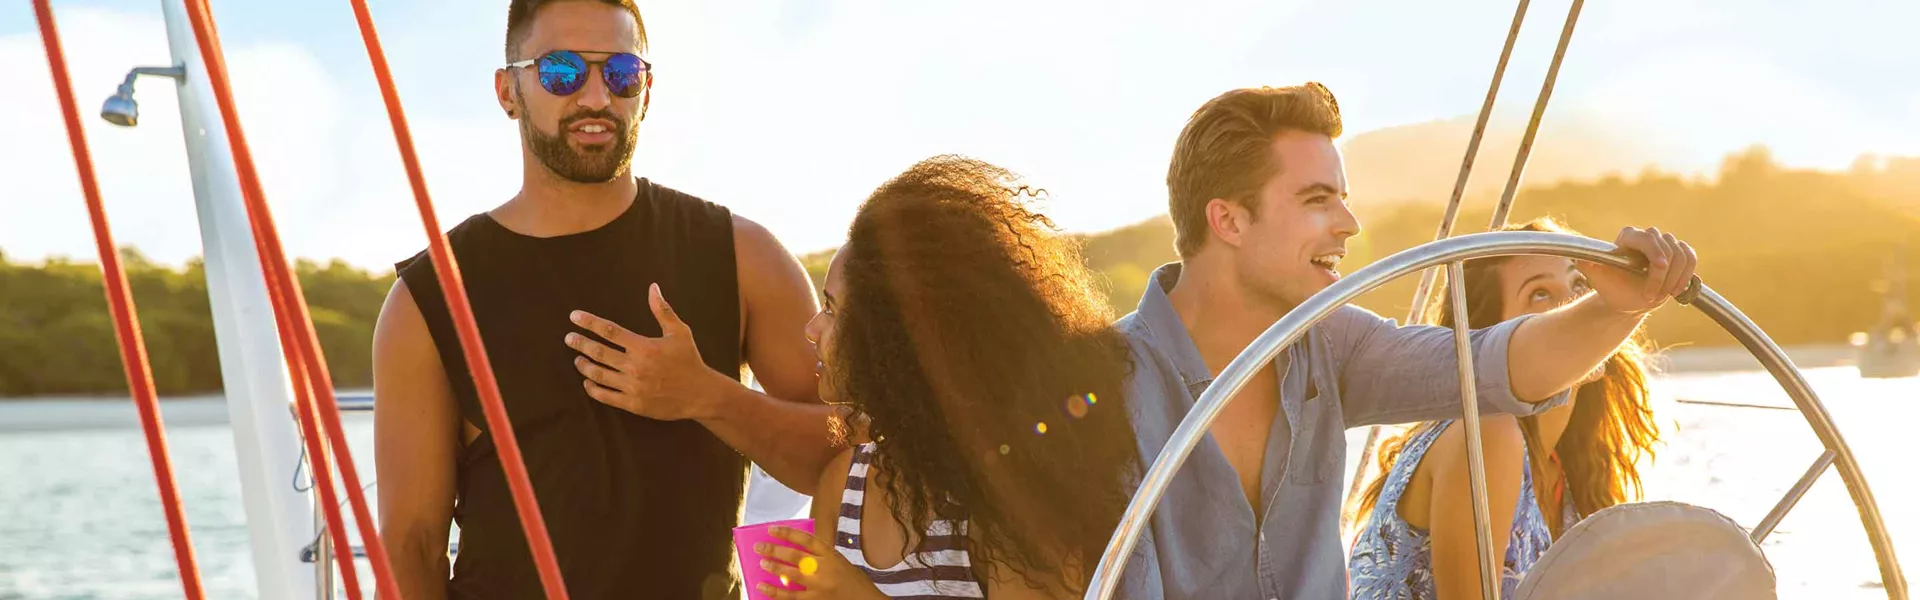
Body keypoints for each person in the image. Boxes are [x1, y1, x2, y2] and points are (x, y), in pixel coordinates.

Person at [1116, 82, 1699, 599]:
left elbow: (1491, 365)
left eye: (1343, 198)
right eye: (1317, 199)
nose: (1349, 224)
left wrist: (1621, 304)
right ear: (1230, 221)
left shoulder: (1332, 342)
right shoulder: (1104, 384)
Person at [371, 1, 835, 598]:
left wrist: (710, 398)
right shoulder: (427, 298)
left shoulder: (743, 255)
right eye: (562, 72)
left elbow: (847, 459)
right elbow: (411, 543)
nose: (595, 97)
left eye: (619, 72)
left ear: (646, 89)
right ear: (508, 90)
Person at [735, 156, 1140, 599]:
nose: (811, 329)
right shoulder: (844, 485)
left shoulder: (1009, 500)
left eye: (832, 310)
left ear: (895, 340)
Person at [1347, 218, 1664, 599]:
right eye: (1540, 295)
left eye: (1581, 286)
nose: (1574, 308)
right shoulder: (1485, 434)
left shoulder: (1573, 473)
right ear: (1493, 336)